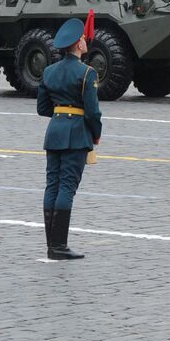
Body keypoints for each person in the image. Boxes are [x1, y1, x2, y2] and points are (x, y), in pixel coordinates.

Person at [36, 18, 101, 260]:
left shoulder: (49, 71)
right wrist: (96, 134)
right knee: (67, 187)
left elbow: (43, 108)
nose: (85, 40)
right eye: (83, 39)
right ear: (77, 45)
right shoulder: (87, 73)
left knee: (52, 185)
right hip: (76, 134)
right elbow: (93, 111)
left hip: (54, 132)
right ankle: (59, 247)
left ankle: (52, 246)